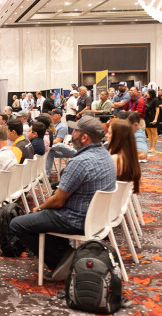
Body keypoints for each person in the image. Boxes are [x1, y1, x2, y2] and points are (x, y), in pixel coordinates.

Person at [9, 116, 116, 280]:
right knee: (39, 218)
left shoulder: (80, 162)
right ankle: (65, 254)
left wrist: (40, 207)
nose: (72, 134)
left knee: (18, 224)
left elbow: (58, 201)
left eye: (75, 131)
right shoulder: (106, 156)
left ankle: (62, 259)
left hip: (74, 219)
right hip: (97, 219)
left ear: (84, 137)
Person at [107, 119, 141, 194]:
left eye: (109, 133)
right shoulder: (131, 157)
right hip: (121, 199)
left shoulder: (115, 159)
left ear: (117, 137)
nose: (106, 136)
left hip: (110, 200)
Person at [45, 109, 70, 177]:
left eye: (53, 114)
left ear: (59, 116)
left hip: (59, 149)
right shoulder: (51, 125)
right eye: (51, 114)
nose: (51, 115)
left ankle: (46, 174)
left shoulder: (62, 126)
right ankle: (41, 172)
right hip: (51, 147)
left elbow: (57, 141)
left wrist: (45, 143)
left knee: (49, 150)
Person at [144, 89, 160, 153]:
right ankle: (150, 147)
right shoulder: (147, 100)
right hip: (147, 117)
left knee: (154, 132)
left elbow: (157, 110)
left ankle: (153, 147)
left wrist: (155, 119)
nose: (146, 94)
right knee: (149, 133)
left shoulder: (155, 100)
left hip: (153, 117)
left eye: (147, 93)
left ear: (151, 94)